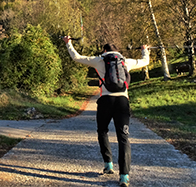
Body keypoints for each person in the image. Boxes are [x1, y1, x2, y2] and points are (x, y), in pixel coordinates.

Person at [62, 37, 150, 187]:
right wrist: (144, 51)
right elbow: (144, 62)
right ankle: (124, 176)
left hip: (105, 101)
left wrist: (68, 43)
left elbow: (76, 57)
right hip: (122, 101)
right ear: (116, 51)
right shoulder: (125, 61)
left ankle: (108, 164)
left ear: (104, 50)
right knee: (123, 138)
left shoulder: (98, 60)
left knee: (102, 131)